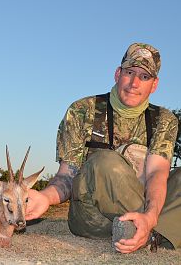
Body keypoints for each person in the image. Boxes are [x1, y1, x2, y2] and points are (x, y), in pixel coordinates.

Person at [26, 43, 180, 254]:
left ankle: (142, 228)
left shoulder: (165, 120)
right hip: (93, 215)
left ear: (154, 85)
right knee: (105, 162)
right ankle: (157, 231)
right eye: (129, 72)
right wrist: (45, 197)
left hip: (142, 204)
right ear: (118, 74)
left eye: (144, 77)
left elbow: (157, 174)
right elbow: (66, 176)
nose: (134, 83)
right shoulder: (82, 110)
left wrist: (150, 215)